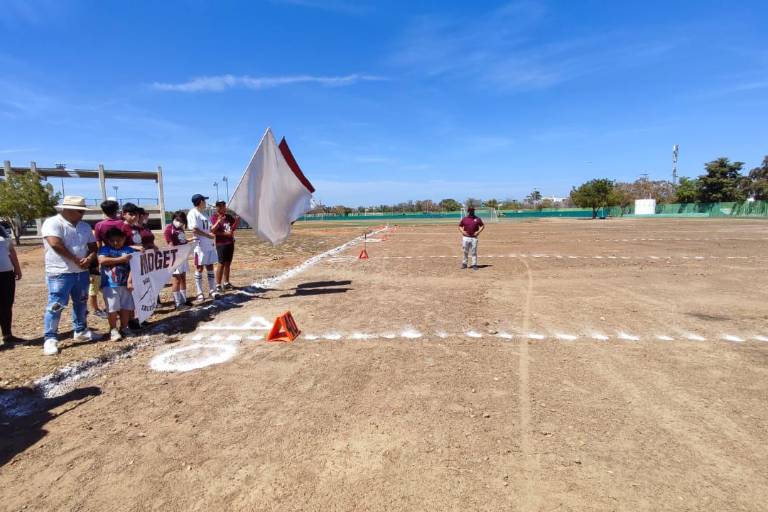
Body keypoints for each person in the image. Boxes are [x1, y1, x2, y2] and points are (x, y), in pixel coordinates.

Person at [41, 196, 101, 355]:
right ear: (66, 209)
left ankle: (80, 330)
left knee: (81, 301)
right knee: (56, 304)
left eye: (83, 211)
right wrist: (75, 259)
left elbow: (93, 246)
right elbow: (55, 244)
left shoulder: (85, 227)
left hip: (81, 272)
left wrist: (89, 258)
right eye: (79, 211)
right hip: (60, 271)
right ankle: (50, 338)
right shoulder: (53, 223)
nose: (82, 214)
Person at [98, 227, 136, 341]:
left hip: (125, 285)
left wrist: (130, 281)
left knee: (125, 308)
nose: (115, 243)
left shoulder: (129, 250)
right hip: (109, 285)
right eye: (112, 241)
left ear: (124, 238)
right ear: (108, 241)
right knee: (112, 308)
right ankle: (113, 329)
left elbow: (134, 266)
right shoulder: (104, 249)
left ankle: (124, 327)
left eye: (119, 240)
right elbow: (102, 261)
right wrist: (122, 259)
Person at [91, 199, 125, 319]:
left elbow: (98, 245)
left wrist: (98, 261)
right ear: (116, 209)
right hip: (124, 256)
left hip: (108, 257)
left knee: (110, 285)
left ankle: (112, 310)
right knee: (125, 284)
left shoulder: (99, 225)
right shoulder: (123, 223)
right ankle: (125, 311)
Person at [187, 194, 220, 301]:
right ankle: (199, 292)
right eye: (204, 201)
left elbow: (210, 229)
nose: (205, 203)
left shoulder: (204, 214)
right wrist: (208, 235)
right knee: (199, 268)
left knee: (210, 266)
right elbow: (194, 229)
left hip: (209, 245)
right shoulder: (193, 213)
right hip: (199, 246)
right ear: (200, 202)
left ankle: (212, 290)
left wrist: (219, 222)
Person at [0, 223, 23, 346]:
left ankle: (7, 335)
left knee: (6, 304)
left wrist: (17, 268)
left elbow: (11, 251)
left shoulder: (2, 230)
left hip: (6, 274)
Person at [164, 210, 191, 310]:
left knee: (183, 278)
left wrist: (189, 240)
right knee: (176, 280)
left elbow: (181, 241)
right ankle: (178, 303)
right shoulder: (169, 229)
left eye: (182, 220)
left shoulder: (181, 229)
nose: (179, 222)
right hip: (175, 257)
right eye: (177, 219)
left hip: (183, 256)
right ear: (174, 219)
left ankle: (184, 299)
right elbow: (170, 244)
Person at [210, 200, 239, 291]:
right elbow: (214, 231)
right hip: (221, 243)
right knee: (221, 263)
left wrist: (237, 221)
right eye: (222, 206)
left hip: (230, 242)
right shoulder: (214, 217)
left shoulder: (228, 217)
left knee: (228, 263)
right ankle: (218, 284)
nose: (224, 208)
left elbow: (232, 229)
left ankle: (226, 282)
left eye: (224, 206)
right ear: (218, 208)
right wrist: (225, 234)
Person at [458, 206, 485, 271]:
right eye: (470, 210)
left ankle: (474, 264)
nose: (472, 212)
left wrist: (478, 232)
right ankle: (464, 264)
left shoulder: (477, 219)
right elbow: (460, 226)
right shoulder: (464, 219)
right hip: (466, 238)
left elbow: (482, 226)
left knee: (474, 252)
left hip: (474, 238)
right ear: (468, 211)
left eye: (473, 210)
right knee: (465, 251)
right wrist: (462, 231)